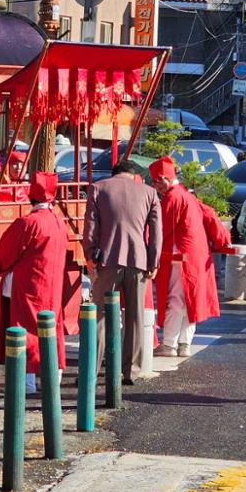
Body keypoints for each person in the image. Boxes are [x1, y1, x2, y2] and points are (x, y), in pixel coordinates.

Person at [83, 159, 162, 384]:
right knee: (135, 318)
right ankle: (131, 371)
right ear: (134, 175)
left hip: (107, 260)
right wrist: (153, 261)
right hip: (138, 261)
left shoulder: (98, 188)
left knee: (98, 318)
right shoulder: (149, 193)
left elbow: (90, 228)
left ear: (114, 173)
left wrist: (90, 257)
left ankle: (90, 370)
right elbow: (156, 231)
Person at [0, 172, 69, 393]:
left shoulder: (28, 222)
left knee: (25, 328)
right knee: (51, 328)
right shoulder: (58, 222)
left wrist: (0, 267)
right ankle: (53, 376)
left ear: (30, 196)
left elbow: (5, 253)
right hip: (52, 286)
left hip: (29, 285)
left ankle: (26, 382)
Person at [150, 157, 220, 357]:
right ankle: (184, 344)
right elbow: (211, 216)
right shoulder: (187, 195)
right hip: (195, 254)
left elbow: (160, 229)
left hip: (179, 255)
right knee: (190, 300)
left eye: (156, 181)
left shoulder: (172, 198)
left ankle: (169, 344)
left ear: (164, 178)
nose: (155, 186)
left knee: (176, 299)